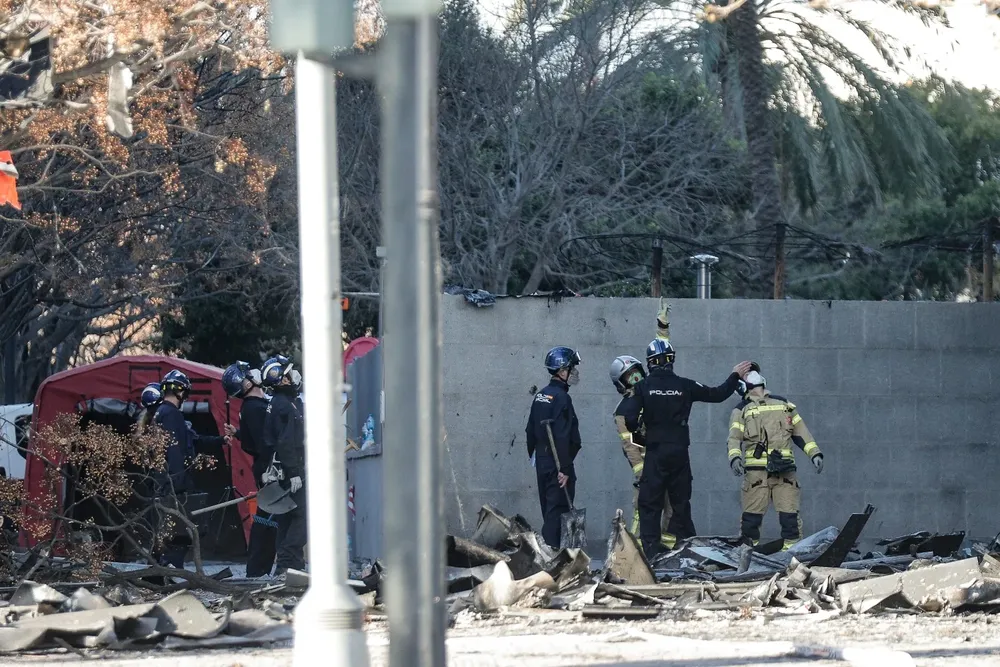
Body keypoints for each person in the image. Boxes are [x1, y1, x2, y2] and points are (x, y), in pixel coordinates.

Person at [622, 341, 751, 558]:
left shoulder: (642, 387)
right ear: (671, 360)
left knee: (650, 504)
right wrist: (735, 375)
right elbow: (717, 394)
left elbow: (629, 419)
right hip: (679, 453)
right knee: (680, 504)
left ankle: (651, 555)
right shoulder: (684, 385)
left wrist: (642, 434)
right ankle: (688, 552)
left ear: (650, 363)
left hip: (655, 453)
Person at [726, 369, 823, 550]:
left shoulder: (783, 404)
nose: (751, 375)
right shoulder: (742, 409)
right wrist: (734, 457)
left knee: (790, 520)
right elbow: (734, 438)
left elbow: (801, 432)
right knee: (751, 522)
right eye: (747, 374)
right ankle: (749, 557)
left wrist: (814, 453)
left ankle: (792, 557)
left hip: (784, 473)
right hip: (757, 476)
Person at [610, 298, 676, 548]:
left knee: (672, 509)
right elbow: (629, 445)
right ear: (621, 383)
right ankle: (637, 551)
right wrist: (641, 472)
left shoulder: (652, 390)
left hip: (667, 462)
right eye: (631, 377)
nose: (637, 379)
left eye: (638, 373)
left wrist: (662, 327)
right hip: (648, 468)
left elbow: (662, 354)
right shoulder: (623, 410)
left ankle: (668, 551)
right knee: (643, 510)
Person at [152, 369, 225, 568]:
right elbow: (175, 450)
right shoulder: (172, 415)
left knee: (168, 529)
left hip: (163, 480)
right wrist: (180, 482)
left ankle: (161, 567)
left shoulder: (160, 413)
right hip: (175, 483)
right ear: (180, 391)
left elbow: (192, 439)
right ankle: (170, 569)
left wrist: (220, 440)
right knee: (181, 532)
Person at [222, 361, 277, 578]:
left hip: (268, 467)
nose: (254, 372)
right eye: (247, 373)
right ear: (245, 384)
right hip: (270, 469)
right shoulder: (254, 408)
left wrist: (237, 433)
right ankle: (257, 569)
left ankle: (259, 569)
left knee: (269, 519)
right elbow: (264, 443)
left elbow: (253, 437)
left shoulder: (256, 406)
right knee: (268, 519)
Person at [525, 346, 582, 549]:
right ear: (562, 371)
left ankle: (552, 554)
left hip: (543, 461)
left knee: (549, 510)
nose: (575, 372)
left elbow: (530, 431)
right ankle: (553, 556)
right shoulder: (562, 397)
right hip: (559, 463)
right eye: (572, 368)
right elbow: (564, 435)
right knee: (558, 512)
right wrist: (564, 469)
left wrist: (539, 459)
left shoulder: (541, 395)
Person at [261, 355, 307, 576]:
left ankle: (289, 567)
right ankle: (288, 562)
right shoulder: (284, 406)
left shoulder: (281, 403)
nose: (294, 375)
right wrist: (294, 472)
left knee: (287, 517)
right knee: (303, 517)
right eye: (289, 372)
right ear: (282, 379)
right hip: (290, 469)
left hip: (284, 468)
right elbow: (286, 442)